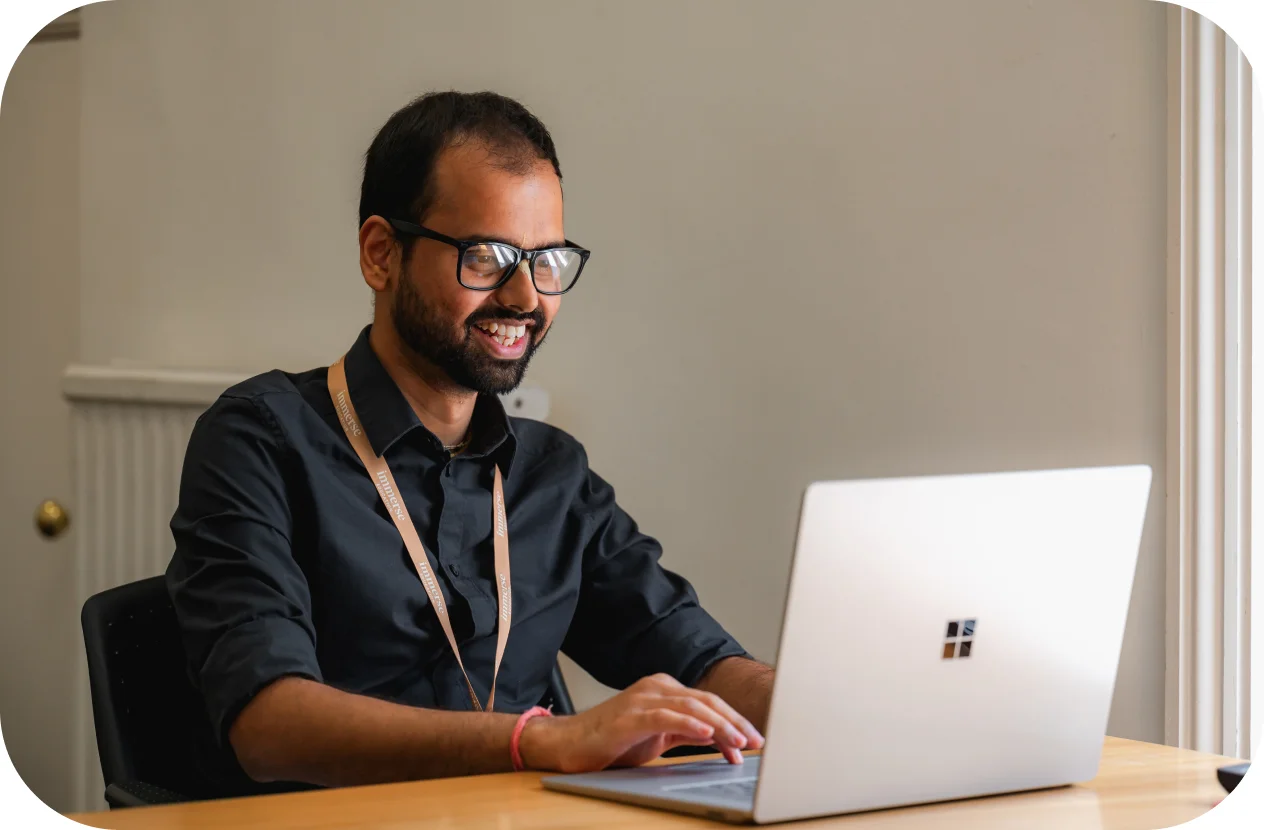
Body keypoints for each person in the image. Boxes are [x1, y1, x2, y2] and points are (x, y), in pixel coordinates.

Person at [166, 90, 773, 793]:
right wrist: (542, 739)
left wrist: (830, 708)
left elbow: (698, 656)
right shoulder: (260, 440)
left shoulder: (551, 473)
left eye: (547, 261)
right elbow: (269, 726)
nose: (524, 297)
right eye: (486, 257)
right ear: (380, 254)